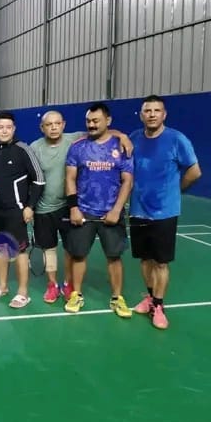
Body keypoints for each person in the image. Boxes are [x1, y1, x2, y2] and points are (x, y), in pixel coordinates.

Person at [30, 112, 133, 304]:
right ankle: (52, 285)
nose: (53, 127)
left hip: (68, 206)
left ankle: (69, 284)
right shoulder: (34, 148)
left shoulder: (75, 139)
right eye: (49, 124)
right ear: (42, 128)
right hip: (43, 207)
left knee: (73, 249)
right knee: (49, 248)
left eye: (57, 123)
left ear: (63, 124)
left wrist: (122, 136)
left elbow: (102, 131)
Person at [129, 94, 201, 329]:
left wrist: (176, 191)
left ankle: (159, 305)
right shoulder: (134, 138)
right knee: (145, 259)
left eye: (156, 110)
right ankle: (150, 297)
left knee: (161, 262)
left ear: (164, 114)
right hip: (138, 209)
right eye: (147, 111)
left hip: (165, 212)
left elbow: (194, 171)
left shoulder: (176, 139)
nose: (152, 114)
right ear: (141, 115)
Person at [64, 102, 133, 318]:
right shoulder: (77, 147)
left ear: (108, 121)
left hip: (111, 211)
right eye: (88, 121)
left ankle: (117, 298)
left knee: (114, 256)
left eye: (96, 120)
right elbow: (70, 178)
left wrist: (117, 210)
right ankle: (76, 294)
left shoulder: (121, 146)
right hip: (83, 210)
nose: (91, 125)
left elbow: (127, 181)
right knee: (78, 255)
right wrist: (74, 208)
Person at [0, 111, 45, 308]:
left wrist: (29, 206)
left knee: (20, 251)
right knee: (0, 248)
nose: (4, 131)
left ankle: (22, 293)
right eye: (0, 127)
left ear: (14, 129)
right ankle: (2, 286)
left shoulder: (23, 149)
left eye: (8, 127)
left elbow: (39, 180)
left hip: (16, 211)